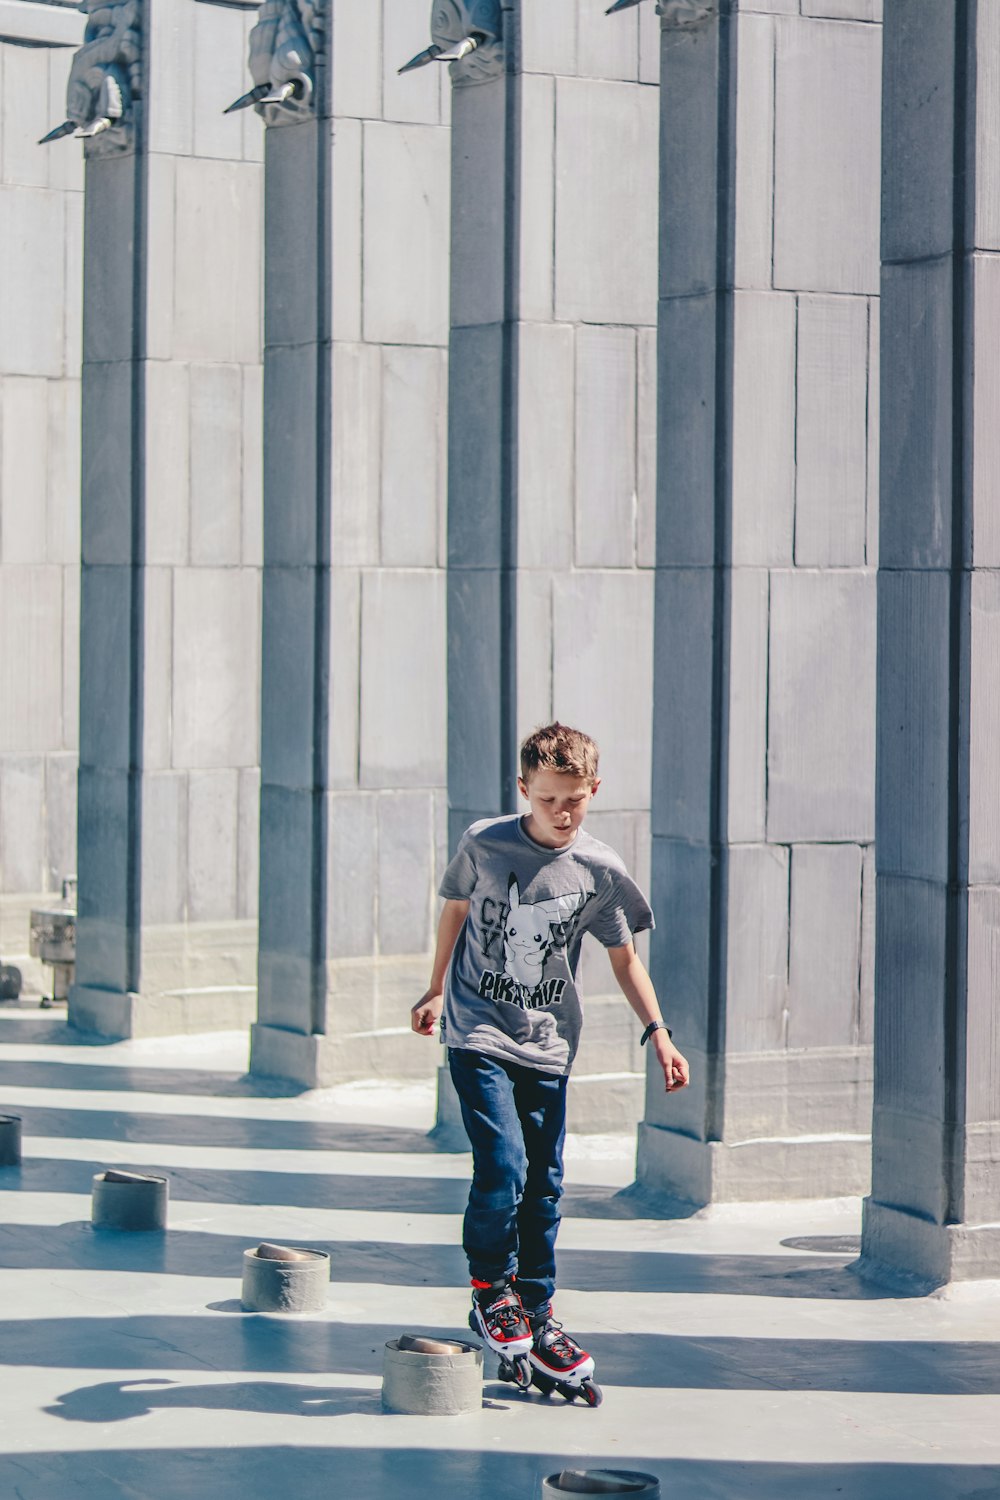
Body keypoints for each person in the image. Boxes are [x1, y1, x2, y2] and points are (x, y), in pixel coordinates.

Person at [410, 722, 689, 1399]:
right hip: (477, 1029)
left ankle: (536, 1309)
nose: (562, 815)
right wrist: (437, 983)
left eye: (575, 801)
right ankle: (489, 1290)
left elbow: (625, 960)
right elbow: (453, 907)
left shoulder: (599, 871)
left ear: (594, 790)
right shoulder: (484, 843)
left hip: (548, 1045)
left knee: (545, 1181)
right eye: (548, 801)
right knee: (502, 1163)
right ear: (523, 790)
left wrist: (659, 1032)